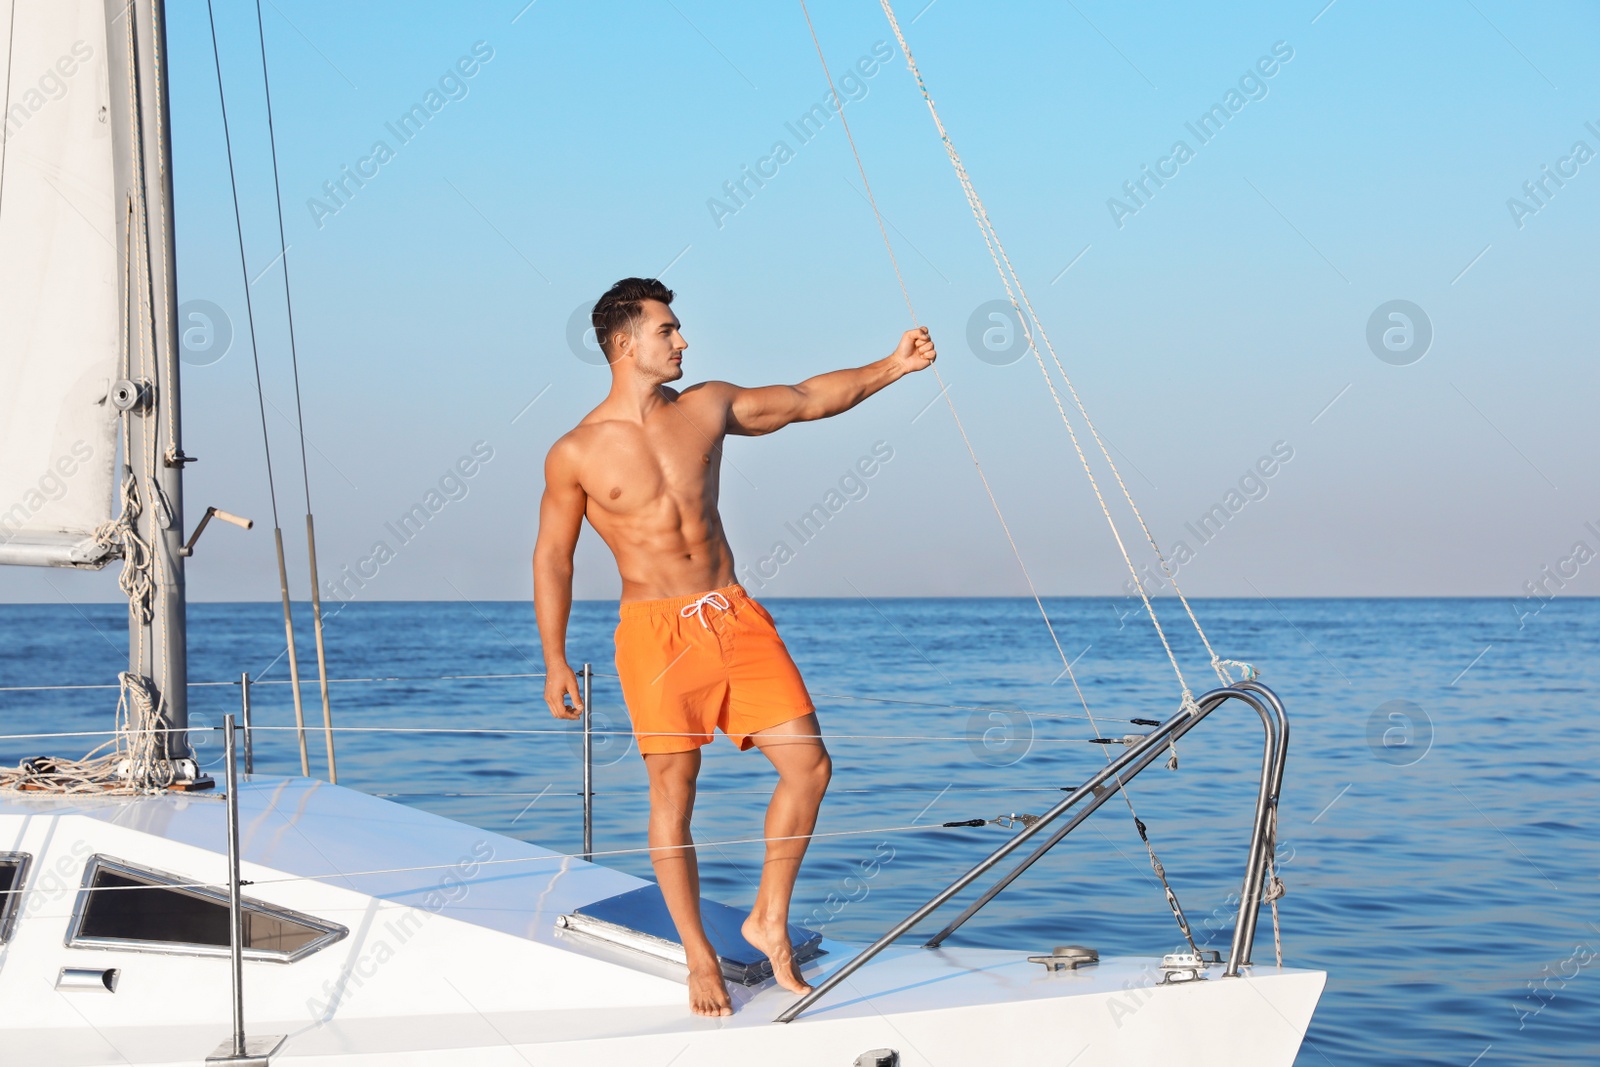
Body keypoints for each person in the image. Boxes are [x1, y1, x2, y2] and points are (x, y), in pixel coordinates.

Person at [534, 277, 936, 1016]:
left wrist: (892, 366)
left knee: (810, 765)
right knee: (673, 796)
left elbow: (806, 398)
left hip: (733, 614)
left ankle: (767, 917)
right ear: (625, 344)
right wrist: (555, 655)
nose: (683, 341)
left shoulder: (708, 406)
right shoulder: (576, 452)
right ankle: (698, 955)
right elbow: (553, 558)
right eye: (668, 330)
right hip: (655, 635)